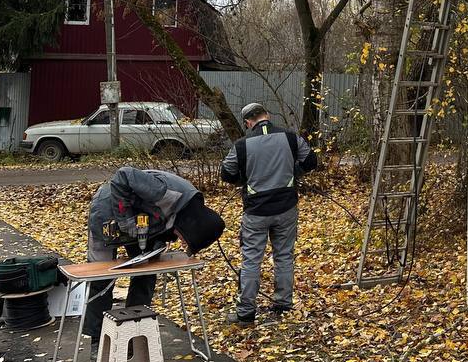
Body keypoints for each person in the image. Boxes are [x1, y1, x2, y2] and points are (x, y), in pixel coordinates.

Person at [84, 166, 226, 342]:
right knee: (100, 279)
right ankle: (98, 341)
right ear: (191, 227)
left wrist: (158, 243)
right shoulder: (167, 193)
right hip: (107, 210)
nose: (181, 242)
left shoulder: (189, 210)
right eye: (185, 240)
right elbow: (123, 176)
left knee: (146, 274)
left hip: (142, 224)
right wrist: (126, 220)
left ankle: (132, 332)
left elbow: (165, 223)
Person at [220, 102, 317, 325]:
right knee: (284, 256)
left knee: (252, 260)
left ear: (247, 122)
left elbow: (226, 173)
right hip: (286, 208)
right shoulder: (291, 138)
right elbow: (311, 161)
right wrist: (295, 173)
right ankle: (283, 304)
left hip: (256, 211)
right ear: (267, 115)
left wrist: (244, 181)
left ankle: (246, 313)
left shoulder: (242, 145)